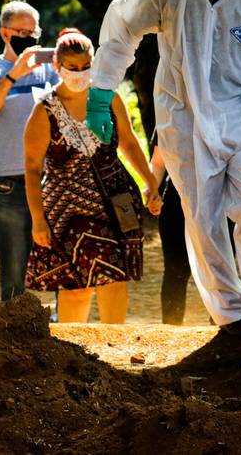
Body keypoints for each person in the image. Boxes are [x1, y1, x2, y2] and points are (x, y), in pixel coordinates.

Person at [86, 0, 241, 337]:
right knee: (202, 214)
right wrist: (101, 92)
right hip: (181, 114)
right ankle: (231, 312)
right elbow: (120, 23)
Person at [22, 29, 161, 323]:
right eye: (72, 68)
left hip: (115, 201)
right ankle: (75, 356)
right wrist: (37, 219)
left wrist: (151, 183)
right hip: (67, 210)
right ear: (57, 66)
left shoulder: (107, 97)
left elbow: (129, 141)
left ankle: (114, 348)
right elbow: (33, 169)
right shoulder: (43, 111)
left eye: (85, 66)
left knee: (115, 276)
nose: (79, 73)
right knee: (76, 286)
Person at [0, 0, 61, 300]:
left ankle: (65, 329)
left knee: (63, 263)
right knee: (14, 270)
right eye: (20, 31)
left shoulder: (49, 71)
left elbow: (69, 111)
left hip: (54, 177)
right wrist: (13, 75)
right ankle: (11, 339)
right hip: (12, 181)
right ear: (4, 34)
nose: (27, 36)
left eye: (32, 31)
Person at [148, 138, 192, 325]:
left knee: (220, 269)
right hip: (175, 203)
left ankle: (223, 325)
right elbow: (158, 162)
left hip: (220, 202)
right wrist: (151, 190)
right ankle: (171, 328)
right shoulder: (171, 109)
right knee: (176, 270)